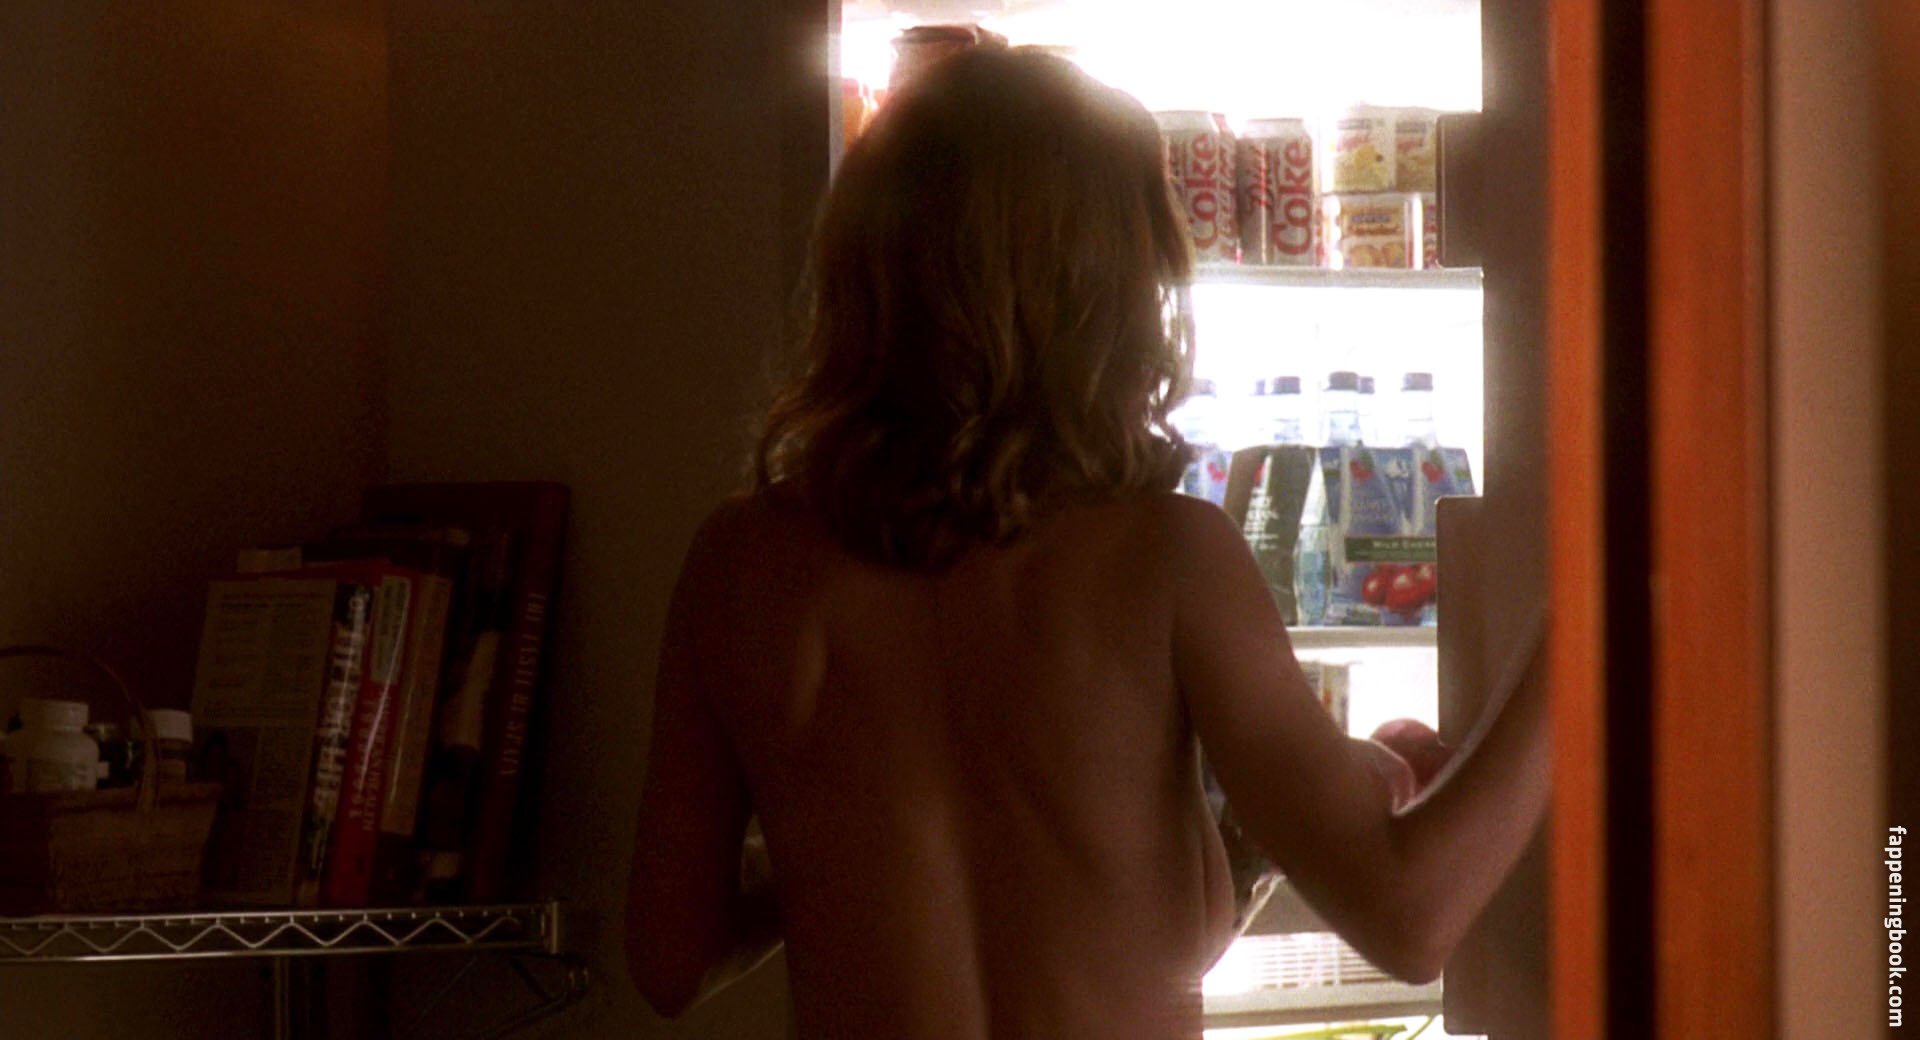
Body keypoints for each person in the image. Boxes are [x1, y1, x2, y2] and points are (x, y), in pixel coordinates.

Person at [624, 47, 1549, 1038]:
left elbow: (670, 956)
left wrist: (842, 855)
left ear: (861, 266)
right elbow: (1410, 915)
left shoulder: (741, 561)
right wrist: (1587, 618)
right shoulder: (1165, 554)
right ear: (1111, 286)